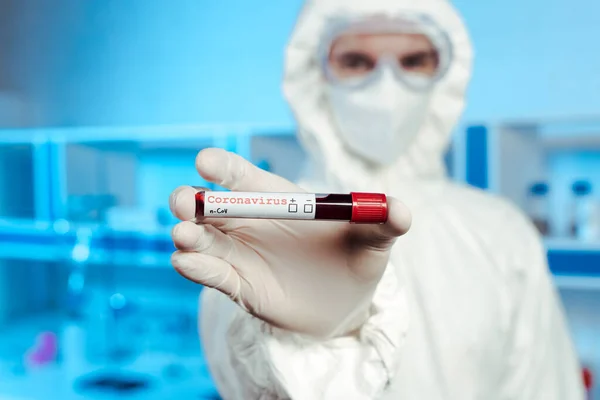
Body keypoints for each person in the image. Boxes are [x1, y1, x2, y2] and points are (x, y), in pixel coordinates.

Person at [169, 0, 585, 398]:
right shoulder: (264, 234)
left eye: (413, 61)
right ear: (313, 73)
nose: (387, 87)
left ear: (447, 72)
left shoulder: (501, 231)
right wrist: (309, 342)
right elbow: (244, 381)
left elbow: (545, 386)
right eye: (356, 62)